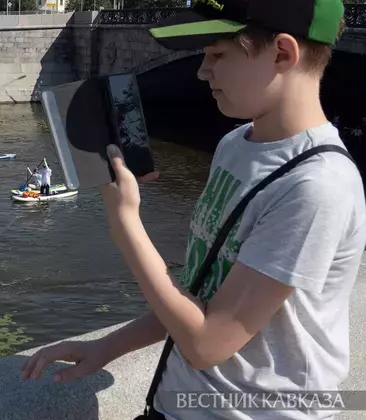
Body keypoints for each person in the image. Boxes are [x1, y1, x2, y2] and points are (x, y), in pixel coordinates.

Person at [21, 2, 366, 420]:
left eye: (217, 55)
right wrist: (106, 347)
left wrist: (125, 223)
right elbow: (198, 293)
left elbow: (206, 344)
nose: (201, 71)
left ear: (282, 53)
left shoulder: (317, 187)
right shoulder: (235, 145)